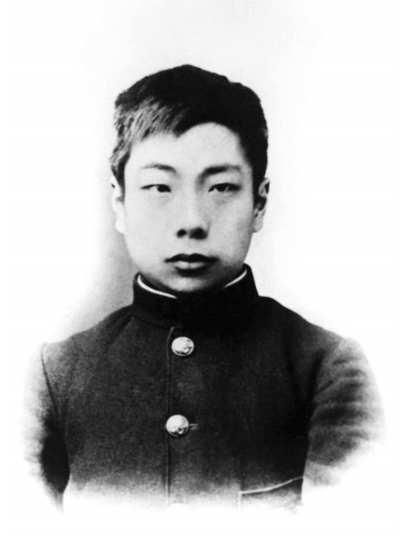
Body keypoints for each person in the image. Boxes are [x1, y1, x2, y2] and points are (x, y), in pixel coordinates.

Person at [24, 65, 382, 513]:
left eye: (221, 187)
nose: (191, 221)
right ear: (119, 201)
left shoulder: (326, 369)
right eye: (159, 187)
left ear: (259, 203)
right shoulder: (56, 375)